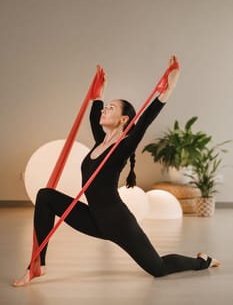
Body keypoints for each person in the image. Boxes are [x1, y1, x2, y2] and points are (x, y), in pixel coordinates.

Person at [13, 56, 220, 287]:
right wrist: (98, 93)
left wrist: (167, 90)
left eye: (110, 108)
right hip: (93, 218)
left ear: (123, 119)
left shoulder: (121, 147)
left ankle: (202, 261)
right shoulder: (100, 142)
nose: (104, 110)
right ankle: (37, 265)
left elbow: (143, 123)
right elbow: (94, 114)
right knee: (45, 196)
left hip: (118, 223)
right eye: (105, 107)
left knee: (158, 269)